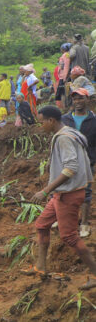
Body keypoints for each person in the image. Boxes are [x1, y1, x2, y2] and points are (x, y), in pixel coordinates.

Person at [29, 106, 96, 289]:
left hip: (68, 194)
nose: (41, 125)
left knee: (69, 237)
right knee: (42, 225)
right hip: (63, 193)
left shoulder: (64, 138)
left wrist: (45, 190)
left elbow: (70, 168)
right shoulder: (69, 132)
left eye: (42, 121)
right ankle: (41, 267)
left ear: (51, 121)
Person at [62, 88, 96, 238]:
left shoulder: (94, 121)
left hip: (87, 162)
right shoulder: (65, 119)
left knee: (86, 192)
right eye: (75, 99)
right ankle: (67, 220)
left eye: (81, 98)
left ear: (87, 100)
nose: (78, 102)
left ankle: (84, 224)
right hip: (68, 161)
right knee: (65, 190)